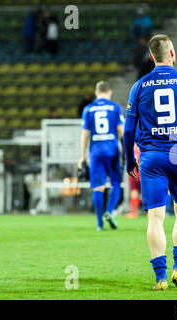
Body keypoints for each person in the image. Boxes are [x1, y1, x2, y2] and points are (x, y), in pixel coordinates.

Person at [123, 34, 177, 291]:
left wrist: (130, 158)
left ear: (151, 56)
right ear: (172, 53)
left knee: (155, 216)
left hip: (151, 157)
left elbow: (129, 131)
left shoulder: (139, 86)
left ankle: (160, 277)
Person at [78, 81, 123, 231]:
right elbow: (121, 131)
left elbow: (84, 135)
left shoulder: (88, 109)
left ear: (96, 93)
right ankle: (109, 212)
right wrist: (126, 150)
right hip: (112, 150)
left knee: (98, 187)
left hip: (96, 153)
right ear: (109, 92)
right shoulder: (115, 108)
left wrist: (82, 156)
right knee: (116, 183)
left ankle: (99, 224)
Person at [124, 144, 142, 219]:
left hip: (134, 173)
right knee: (146, 193)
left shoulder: (131, 149)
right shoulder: (144, 148)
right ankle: (150, 212)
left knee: (134, 192)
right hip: (143, 174)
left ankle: (133, 212)